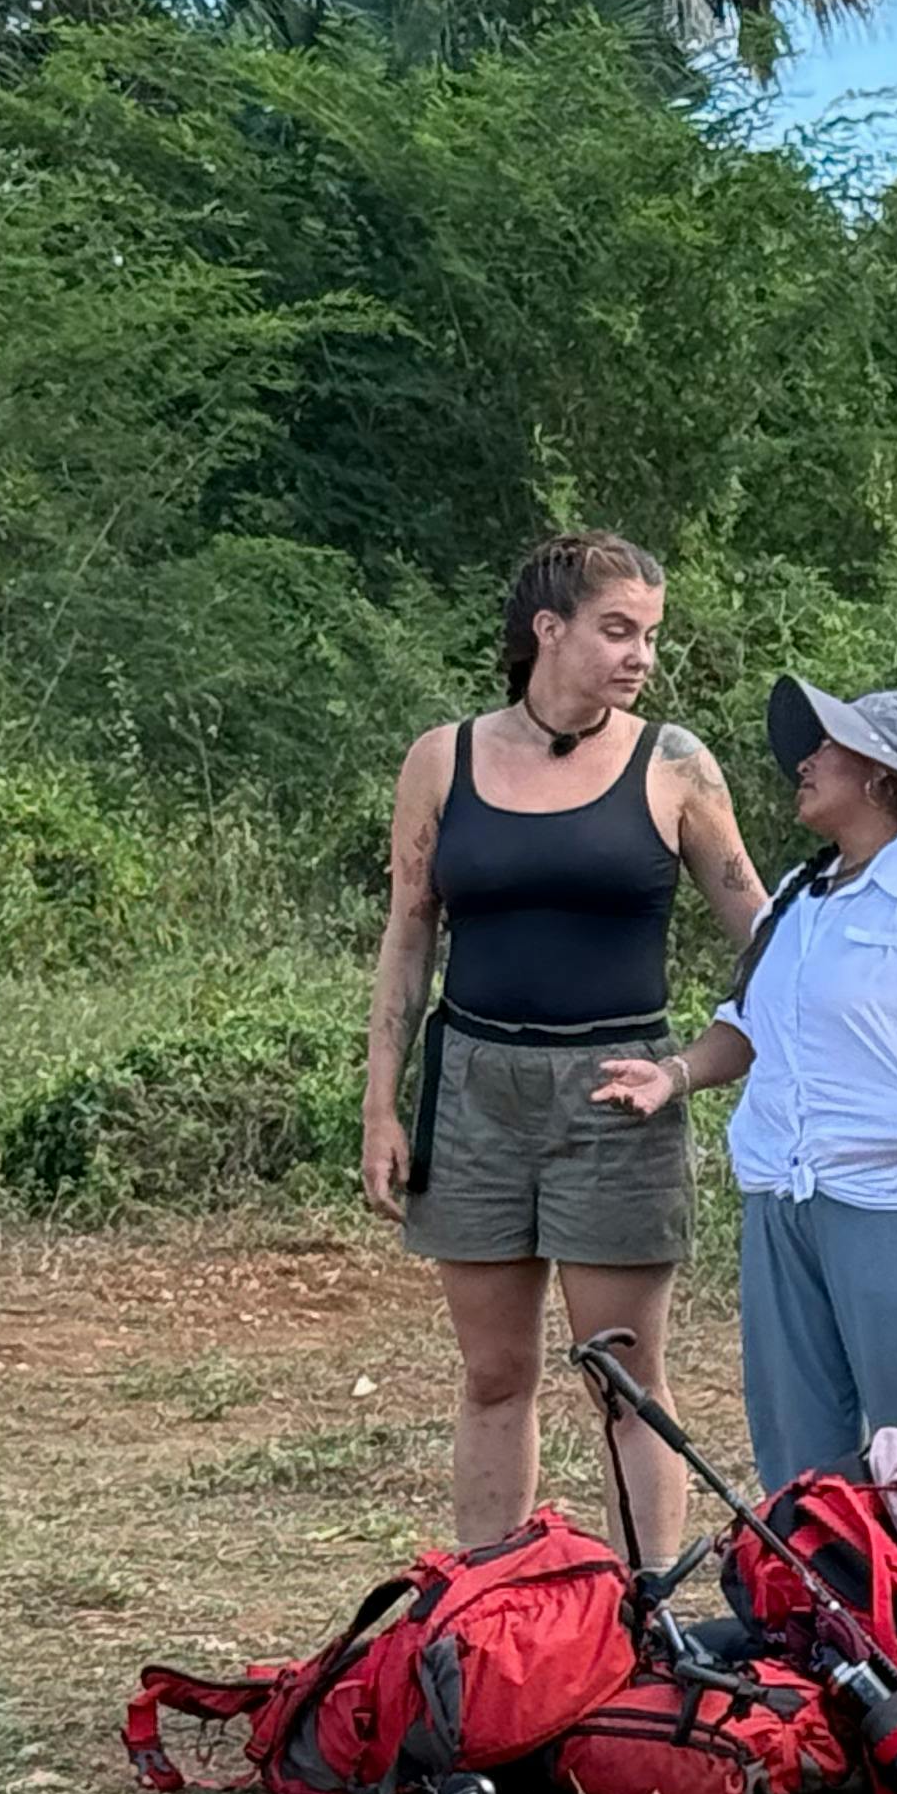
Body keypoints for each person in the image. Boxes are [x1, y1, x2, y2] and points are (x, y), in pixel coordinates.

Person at [360, 533, 766, 1560]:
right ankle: (489, 1614)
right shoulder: (441, 758)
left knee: (624, 1377)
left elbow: (761, 928)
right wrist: (381, 1104)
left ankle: (649, 1622)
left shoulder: (675, 763)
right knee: (495, 1374)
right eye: (618, 631)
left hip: (617, 1087)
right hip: (476, 1089)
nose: (642, 657)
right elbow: (410, 930)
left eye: (650, 636)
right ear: (549, 629)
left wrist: (718, 1051)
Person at [590, 681, 897, 1484]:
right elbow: (751, 1023)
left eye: (830, 746)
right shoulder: (799, 895)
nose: (807, 759)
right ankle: (815, 1613)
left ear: (885, 779)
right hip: (785, 1201)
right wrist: (675, 1075)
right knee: (801, 1468)